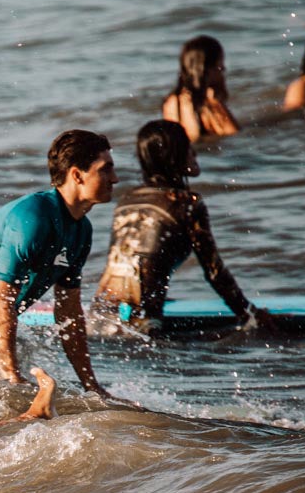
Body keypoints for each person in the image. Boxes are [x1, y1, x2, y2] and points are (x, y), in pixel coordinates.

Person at [0, 129, 116, 398]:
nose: (115, 178)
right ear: (77, 175)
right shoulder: (33, 217)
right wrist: (12, 378)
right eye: (106, 169)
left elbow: (70, 313)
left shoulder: (82, 231)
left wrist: (92, 386)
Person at [95, 120, 274, 334]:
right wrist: (250, 315)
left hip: (100, 315)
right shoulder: (187, 204)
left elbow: (130, 263)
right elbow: (215, 272)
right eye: (188, 147)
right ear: (174, 156)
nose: (194, 154)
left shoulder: (127, 201)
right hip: (143, 325)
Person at [162, 35, 240, 141]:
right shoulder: (209, 105)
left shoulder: (171, 102)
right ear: (207, 70)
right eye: (220, 66)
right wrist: (218, 104)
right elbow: (235, 135)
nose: (223, 69)